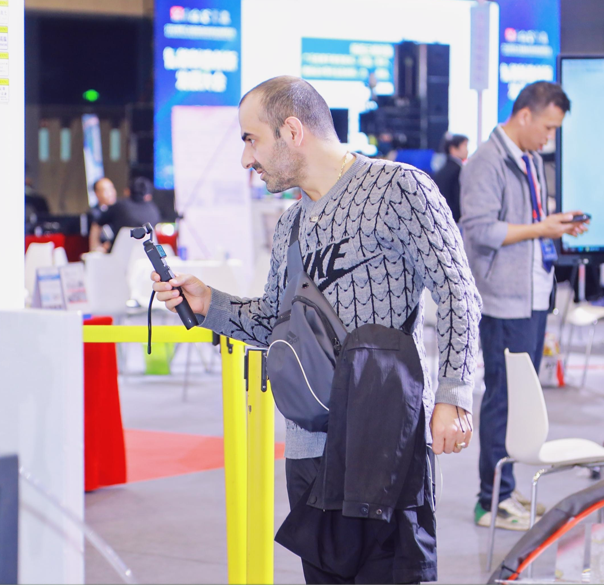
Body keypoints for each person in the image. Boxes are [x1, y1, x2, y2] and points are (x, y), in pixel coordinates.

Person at [152, 76, 481, 584]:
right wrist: (210, 303)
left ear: (292, 130)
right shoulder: (291, 224)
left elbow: (458, 291)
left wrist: (453, 396)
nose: (245, 159)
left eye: (251, 140)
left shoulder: (398, 188)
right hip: (308, 451)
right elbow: (274, 323)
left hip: (384, 443)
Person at [460, 81, 588, 531]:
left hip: (533, 294)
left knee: (521, 402)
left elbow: (528, 223)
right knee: (503, 400)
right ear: (525, 115)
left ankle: (508, 489)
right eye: (548, 128)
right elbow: (480, 231)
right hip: (503, 300)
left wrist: (554, 226)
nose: (549, 138)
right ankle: (491, 500)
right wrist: (541, 229)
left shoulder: (529, 160)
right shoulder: (487, 161)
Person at [98, 176, 161, 249]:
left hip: (120, 251)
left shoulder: (119, 206)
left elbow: (98, 223)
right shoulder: (153, 209)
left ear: (127, 191)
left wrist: (96, 247)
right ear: (148, 196)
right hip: (147, 252)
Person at [432, 134, 469, 223]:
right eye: (464, 146)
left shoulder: (443, 169)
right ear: (453, 149)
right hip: (453, 220)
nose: (467, 150)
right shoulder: (457, 170)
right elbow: (457, 199)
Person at [88, 177, 117, 252]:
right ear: (97, 193)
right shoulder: (94, 214)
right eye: (106, 190)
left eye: (112, 188)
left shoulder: (120, 211)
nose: (111, 193)